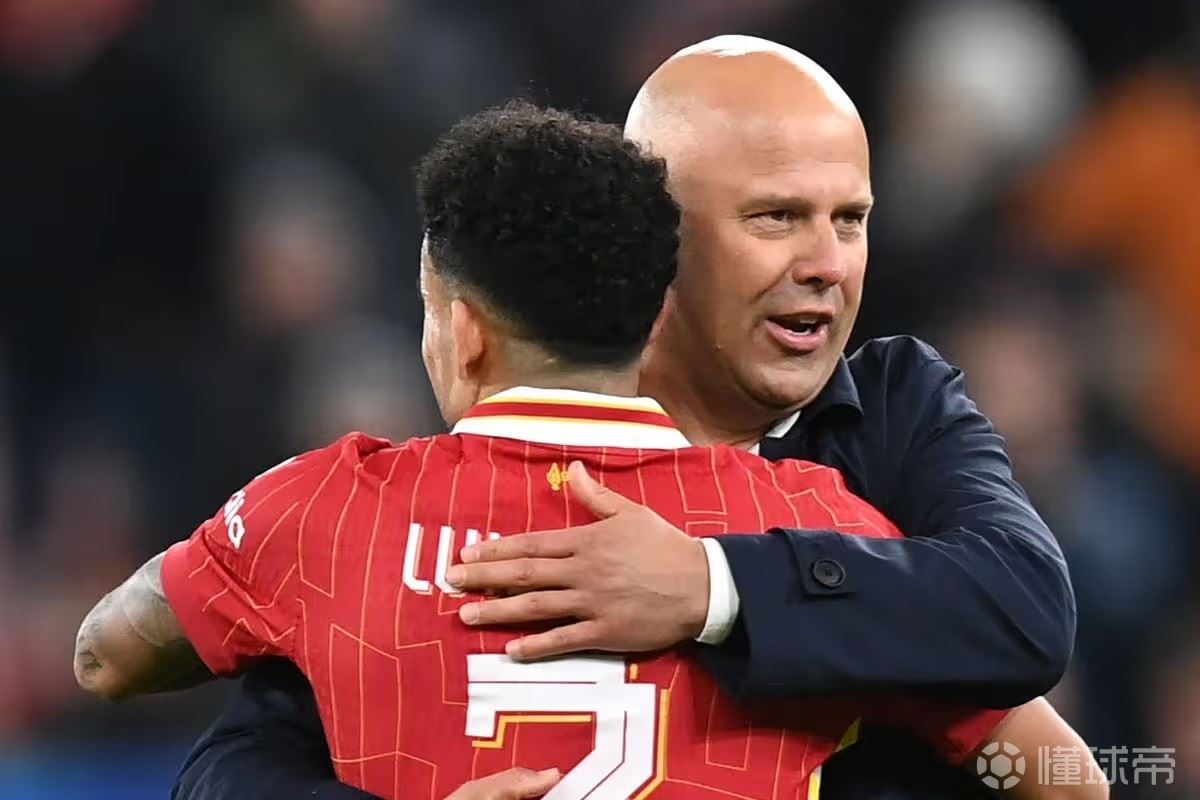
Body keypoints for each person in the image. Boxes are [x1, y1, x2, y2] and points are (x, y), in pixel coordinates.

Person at [74, 102, 1103, 800]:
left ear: (463, 331)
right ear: (656, 306)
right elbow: (1064, 779)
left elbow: (104, 653)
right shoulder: (819, 521)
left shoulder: (327, 513)